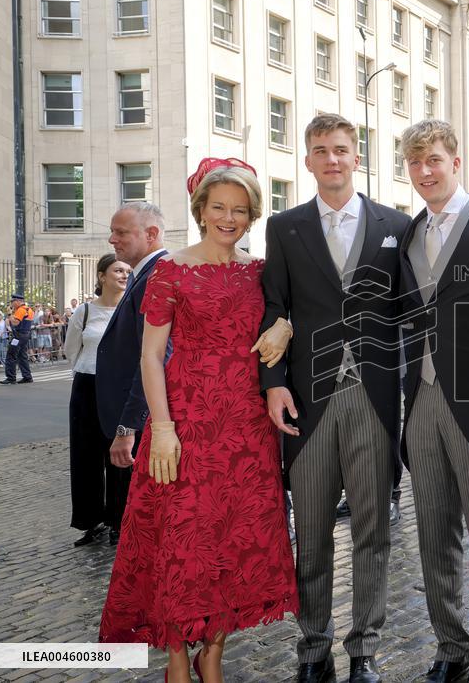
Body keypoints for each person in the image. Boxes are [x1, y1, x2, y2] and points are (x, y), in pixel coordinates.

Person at [100, 158, 298, 682]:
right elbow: (149, 356)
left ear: (252, 214)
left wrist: (286, 324)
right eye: (218, 208)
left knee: (226, 541)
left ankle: (212, 651)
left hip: (245, 426)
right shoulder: (171, 270)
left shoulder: (259, 271)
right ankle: (175, 658)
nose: (228, 218)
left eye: (239, 209)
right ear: (201, 210)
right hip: (184, 421)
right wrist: (160, 428)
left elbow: (298, 306)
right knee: (180, 540)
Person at [259, 113, 410, 683]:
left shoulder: (396, 224)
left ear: (357, 155)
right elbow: (274, 310)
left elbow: (413, 311)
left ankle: (364, 648)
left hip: (374, 397)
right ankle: (313, 648)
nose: (332, 159)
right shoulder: (285, 226)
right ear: (307, 160)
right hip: (309, 400)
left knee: (373, 529)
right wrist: (273, 385)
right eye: (320, 149)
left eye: (342, 149)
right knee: (313, 531)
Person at [396, 119, 469, 683]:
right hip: (421, 397)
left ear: (456, 162)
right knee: (433, 531)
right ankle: (450, 644)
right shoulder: (410, 232)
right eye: (415, 164)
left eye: (434, 160)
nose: (425, 172)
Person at [95, 201, 169, 546]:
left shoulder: (158, 276)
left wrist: (128, 428)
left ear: (151, 234)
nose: (112, 239)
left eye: (121, 232)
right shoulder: (145, 274)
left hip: (142, 424)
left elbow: (152, 358)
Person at [65, 254, 131, 547]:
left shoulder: (131, 309)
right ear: (102, 276)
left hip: (118, 387)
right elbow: (71, 350)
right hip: (86, 385)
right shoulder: (85, 312)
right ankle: (90, 521)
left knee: (119, 457)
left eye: (127, 270)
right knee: (85, 455)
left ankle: (119, 521)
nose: (124, 274)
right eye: (118, 269)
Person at [0, 294, 33, 385]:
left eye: (12, 302)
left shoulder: (21, 310)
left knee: (11, 355)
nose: (12, 304)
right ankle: (27, 377)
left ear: (18, 301)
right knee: (22, 356)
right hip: (25, 335)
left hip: (18, 336)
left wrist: (10, 314)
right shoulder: (28, 309)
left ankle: (11, 377)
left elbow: (15, 323)